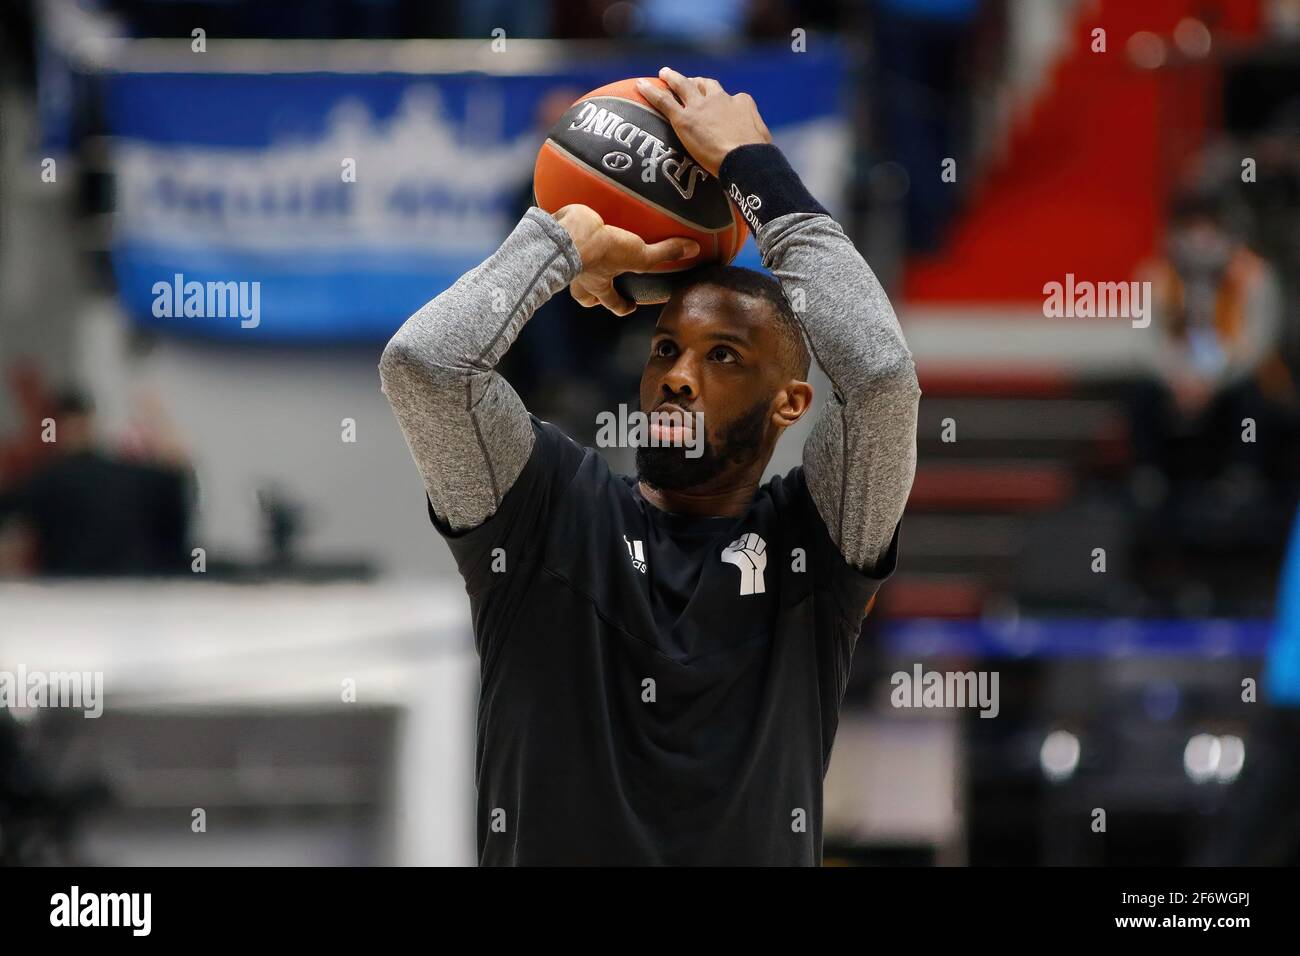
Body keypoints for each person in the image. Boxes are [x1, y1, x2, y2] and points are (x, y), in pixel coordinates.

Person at [380, 68, 920, 865]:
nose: (676, 373)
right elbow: (424, 369)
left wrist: (753, 165)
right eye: (666, 348)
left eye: (723, 356)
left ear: (790, 403)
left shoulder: (817, 543)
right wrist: (562, 243)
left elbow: (879, 379)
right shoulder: (545, 508)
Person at [0, 389, 193, 576]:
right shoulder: (132, 475)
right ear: (91, 424)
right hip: (135, 589)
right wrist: (157, 418)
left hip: (70, 593)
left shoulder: (46, 481)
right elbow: (177, 474)